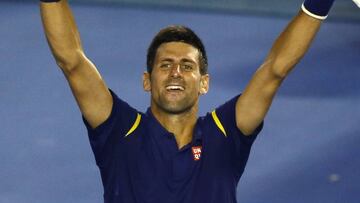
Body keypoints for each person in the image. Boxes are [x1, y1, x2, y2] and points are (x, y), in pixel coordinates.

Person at [40, 0, 342, 202]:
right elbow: (72, 61)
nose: (176, 73)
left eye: (187, 66)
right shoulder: (119, 131)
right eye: (165, 65)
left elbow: (276, 69)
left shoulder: (225, 134)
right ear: (147, 81)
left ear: (204, 83)